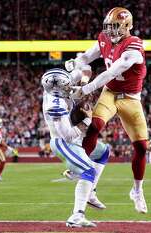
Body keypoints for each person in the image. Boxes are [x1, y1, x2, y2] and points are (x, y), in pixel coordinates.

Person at [66, 7, 148, 213]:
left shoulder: (133, 47)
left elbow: (111, 72)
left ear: (127, 26)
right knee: (95, 126)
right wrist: (77, 65)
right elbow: (85, 57)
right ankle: (80, 166)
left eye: (115, 27)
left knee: (142, 148)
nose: (111, 31)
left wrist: (85, 89)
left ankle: (137, 191)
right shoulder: (104, 39)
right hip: (110, 94)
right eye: (109, 27)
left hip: (130, 99)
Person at [42, 68, 109, 228]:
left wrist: (84, 81)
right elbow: (68, 136)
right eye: (67, 85)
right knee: (88, 171)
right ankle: (77, 215)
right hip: (63, 143)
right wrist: (87, 119)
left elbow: (83, 69)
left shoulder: (56, 87)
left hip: (74, 140)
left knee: (103, 152)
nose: (69, 86)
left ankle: (90, 192)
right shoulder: (55, 104)